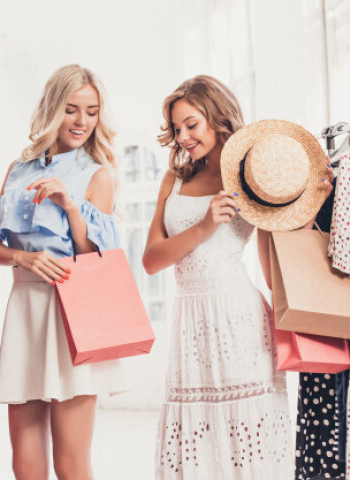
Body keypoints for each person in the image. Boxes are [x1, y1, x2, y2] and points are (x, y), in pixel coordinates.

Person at [142, 75, 333, 479]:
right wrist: (203, 226)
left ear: (217, 116)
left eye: (191, 124)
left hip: (238, 319)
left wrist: (313, 203)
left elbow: (271, 263)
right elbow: (151, 261)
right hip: (190, 323)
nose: (183, 136)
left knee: (249, 446)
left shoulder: (250, 176)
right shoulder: (174, 179)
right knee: (198, 447)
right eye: (177, 128)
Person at [0, 64, 128, 480]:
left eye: (91, 110)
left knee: (71, 460)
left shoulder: (97, 175)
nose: (82, 121)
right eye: (71, 109)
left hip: (71, 312)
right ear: (52, 109)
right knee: (24, 461)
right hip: (25, 309)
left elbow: (95, 259)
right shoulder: (18, 170)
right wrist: (23, 258)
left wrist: (69, 205)